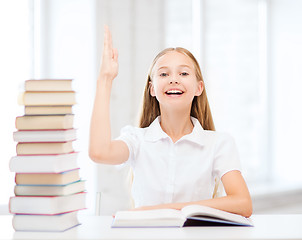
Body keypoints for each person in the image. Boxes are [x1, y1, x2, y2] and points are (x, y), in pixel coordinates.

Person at [89, 26, 253, 218]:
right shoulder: (137, 140)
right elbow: (99, 152)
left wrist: (160, 211)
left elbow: (243, 203)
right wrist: (105, 79)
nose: (173, 79)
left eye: (183, 74)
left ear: (199, 88)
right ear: (152, 89)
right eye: (164, 74)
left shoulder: (219, 143)